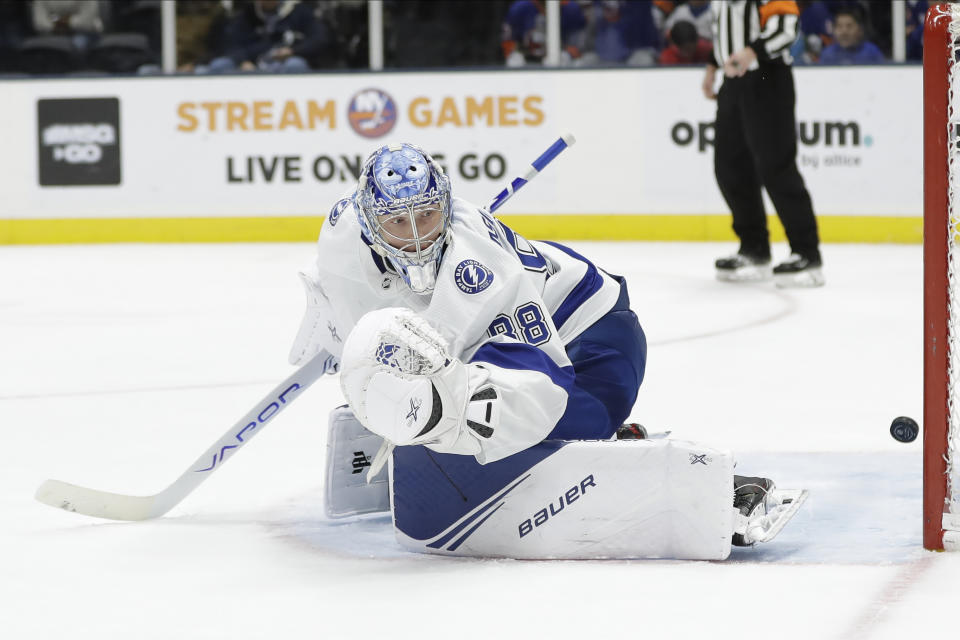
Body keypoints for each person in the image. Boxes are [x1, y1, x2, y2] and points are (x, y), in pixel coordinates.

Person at [289, 142, 803, 558]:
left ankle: (638, 450)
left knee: (505, 426)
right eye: (399, 223)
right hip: (526, 334)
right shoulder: (342, 233)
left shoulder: (482, 277)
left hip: (595, 338)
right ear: (367, 219)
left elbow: (542, 390)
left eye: (426, 216)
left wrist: (441, 409)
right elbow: (341, 291)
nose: (419, 237)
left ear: (443, 205)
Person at [703, 0, 824, 287]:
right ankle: (754, 248)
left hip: (768, 77)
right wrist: (712, 64)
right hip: (733, 82)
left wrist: (751, 52)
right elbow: (727, 31)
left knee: (776, 166)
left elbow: (785, 28)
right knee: (730, 167)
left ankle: (807, 253)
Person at [206, 0, 330, 73]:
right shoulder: (247, 14)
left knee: (295, 64)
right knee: (219, 64)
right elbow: (231, 42)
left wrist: (293, 51)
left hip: (283, 64)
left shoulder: (299, 12)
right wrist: (243, 61)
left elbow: (319, 39)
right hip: (252, 65)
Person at [818, 6, 884, 65]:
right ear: (834, 30)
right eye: (839, 26)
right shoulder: (828, 54)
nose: (844, 32)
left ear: (860, 30)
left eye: (849, 26)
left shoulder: (871, 52)